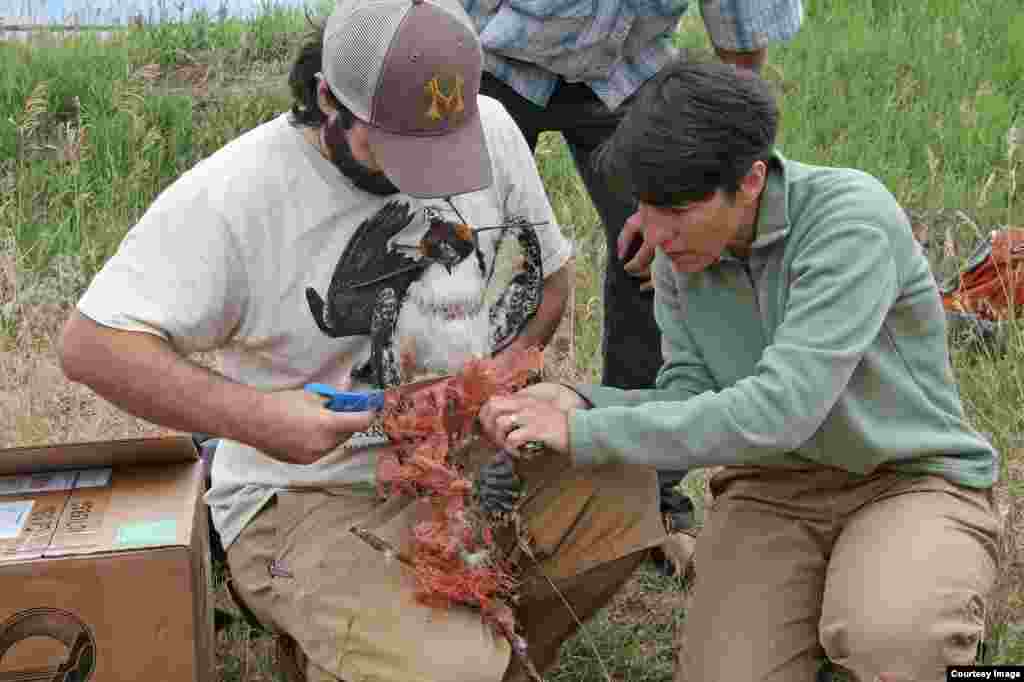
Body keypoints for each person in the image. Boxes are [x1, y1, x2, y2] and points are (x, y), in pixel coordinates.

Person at [57, 1, 669, 680]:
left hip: (457, 464)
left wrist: (485, 392)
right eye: (406, 150)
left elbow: (549, 286)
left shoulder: (492, 127)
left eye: (445, 150)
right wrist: (261, 418)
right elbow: (91, 345)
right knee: (452, 671)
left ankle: (457, 651)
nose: (431, 177)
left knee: (622, 484)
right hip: (307, 494)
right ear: (328, 98)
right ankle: (407, 648)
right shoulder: (240, 194)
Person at [478, 59, 1001, 682]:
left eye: (676, 208)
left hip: (907, 479)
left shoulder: (847, 222)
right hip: (771, 490)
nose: (657, 233)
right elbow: (691, 395)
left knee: (895, 640)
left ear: (750, 180)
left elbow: (781, 410)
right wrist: (585, 404)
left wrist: (587, 433)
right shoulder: (682, 257)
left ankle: (946, 634)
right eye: (645, 205)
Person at [461, 0, 804, 562]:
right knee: (452, 245)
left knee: (665, 255)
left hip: (627, 71)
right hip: (487, 52)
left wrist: (669, 204)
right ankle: (455, 454)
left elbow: (741, 45)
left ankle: (646, 488)